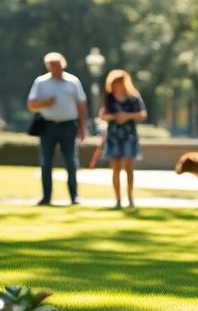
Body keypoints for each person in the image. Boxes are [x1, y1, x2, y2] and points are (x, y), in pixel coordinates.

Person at [26, 52, 87, 205]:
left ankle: (74, 196)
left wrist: (83, 126)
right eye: (51, 66)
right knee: (46, 162)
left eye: (57, 65)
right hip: (48, 126)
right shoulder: (41, 82)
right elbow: (31, 105)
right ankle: (46, 197)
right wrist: (45, 103)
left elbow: (81, 105)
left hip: (68, 126)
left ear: (62, 65)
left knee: (71, 161)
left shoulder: (73, 82)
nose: (54, 68)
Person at [99, 69, 148, 209]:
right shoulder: (109, 98)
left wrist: (127, 116)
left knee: (128, 167)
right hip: (113, 136)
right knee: (115, 168)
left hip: (129, 135)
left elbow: (142, 114)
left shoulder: (133, 97)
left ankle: (130, 198)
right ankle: (118, 200)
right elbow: (103, 114)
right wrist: (110, 117)